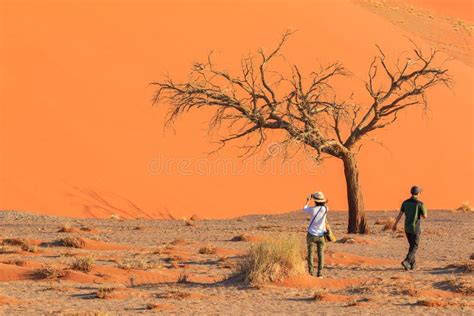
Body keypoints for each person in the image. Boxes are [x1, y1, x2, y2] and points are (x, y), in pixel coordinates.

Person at [393, 185, 428, 271]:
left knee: (412, 246)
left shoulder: (405, 202)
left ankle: (413, 264)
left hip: (407, 228)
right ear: (418, 193)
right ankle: (407, 261)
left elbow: (400, 214)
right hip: (415, 228)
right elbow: (425, 216)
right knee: (415, 246)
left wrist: (395, 224)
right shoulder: (420, 204)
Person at [303, 191, 329, 278]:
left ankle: (311, 272)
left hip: (311, 234)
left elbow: (304, 208)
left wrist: (308, 200)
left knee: (310, 253)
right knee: (320, 254)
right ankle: (320, 273)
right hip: (321, 236)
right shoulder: (325, 209)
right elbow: (325, 205)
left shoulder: (312, 210)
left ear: (315, 201)